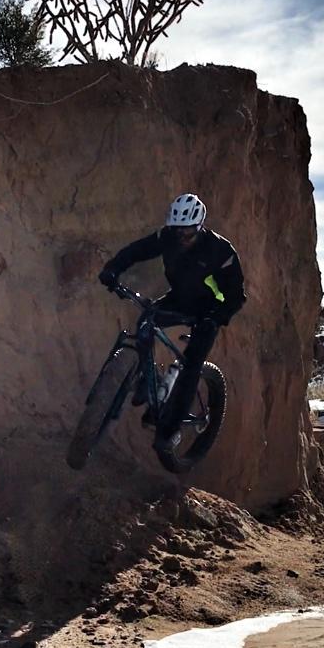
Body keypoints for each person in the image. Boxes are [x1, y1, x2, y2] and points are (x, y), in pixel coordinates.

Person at [97, 193, 247, 457]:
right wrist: (112, 269)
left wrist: (216, 317)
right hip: (178, 299)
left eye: (188, 233)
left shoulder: (220, 251)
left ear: (199, 227)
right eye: (178, 231)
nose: (182, 237)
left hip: (209, 309)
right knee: (146, 320)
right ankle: (146, 381)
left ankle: (170, 430)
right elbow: (137, 251)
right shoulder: (168, 236)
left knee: (192, 365)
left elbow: (236, 296)